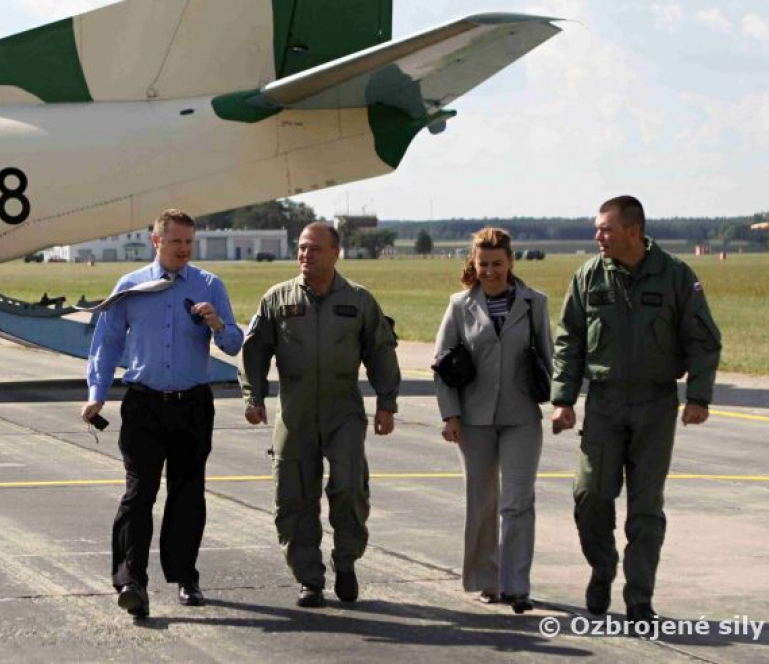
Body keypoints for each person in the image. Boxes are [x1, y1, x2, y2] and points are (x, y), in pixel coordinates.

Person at [551, 195, 721, 625]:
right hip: (604, 404)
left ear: (633, 230)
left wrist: (698, 397)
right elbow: (569, 339)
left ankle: (639, 598)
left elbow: (703, 339)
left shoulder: (676, 276)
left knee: (645, 509)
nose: (598, 236)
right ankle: (602, 567)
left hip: (655, 405)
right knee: (590, 496)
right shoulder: (589, 276)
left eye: (606, 228)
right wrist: (563, 399)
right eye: (598, 228)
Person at [81, 209, 243, 618]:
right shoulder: (131, 286)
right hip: (145, 405)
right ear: (156, 241)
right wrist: (97, 393)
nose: (184, 250)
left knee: (187, 493)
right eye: (176, 242)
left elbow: (234, 343)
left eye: (189, 242)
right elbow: (107, 342)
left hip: (192, 405)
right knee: (139, 494)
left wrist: (217, 324)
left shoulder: (209, 285)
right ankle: (131, 582)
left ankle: (186, 576)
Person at [239, 222, 400, 608]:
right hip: (294, 413)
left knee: (349, 487)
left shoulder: (359, 301)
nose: (304, 255)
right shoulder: (277, 299)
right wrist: (253, 396)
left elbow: (380, 351)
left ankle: (346, 561)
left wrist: (386, 403)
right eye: (301, 247)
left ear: (335, 253)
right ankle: (309, 578)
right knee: (293, 496)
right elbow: (255, 350)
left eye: (313, 248)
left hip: (343, 411)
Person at [433, 228, 552, 614]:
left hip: (522, 417)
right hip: (474, 419)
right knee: (482, 502)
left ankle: (516, 586)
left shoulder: (535, 303)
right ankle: (487, 579)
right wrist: (450, 414)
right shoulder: (459, 305)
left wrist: (561, 402)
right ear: (474, 263)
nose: (490, 271)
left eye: (497, 263)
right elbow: (442, 364)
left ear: (511, 262)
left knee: (518, 501)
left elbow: (548, 357)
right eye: (483, 263)